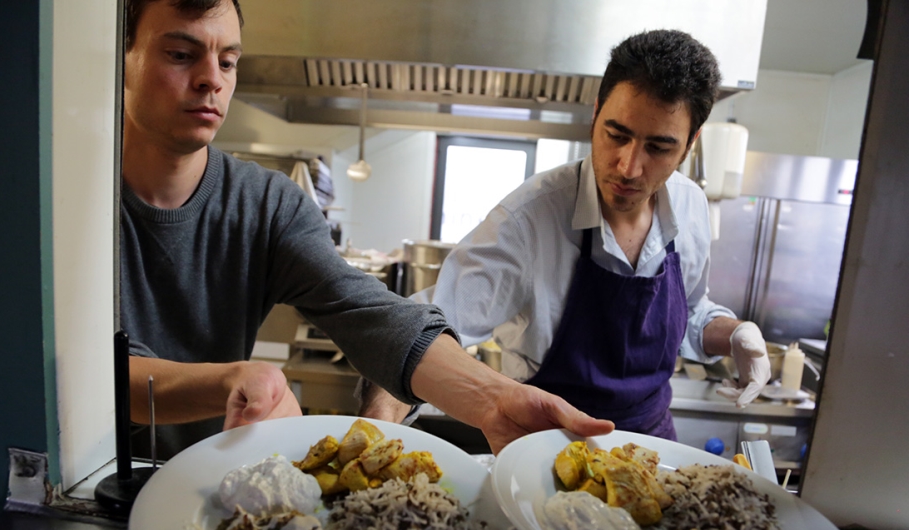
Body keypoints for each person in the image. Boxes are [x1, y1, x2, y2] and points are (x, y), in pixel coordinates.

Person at [118, 0, 614, 457]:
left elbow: (366, 310)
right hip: (85, 478)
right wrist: (230, 381)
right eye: (182, 54)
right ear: (122, 54)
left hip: (208, 481)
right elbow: (99, 368)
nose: (212, 79)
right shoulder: (68, 203)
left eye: (227, 61)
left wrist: (491, 398)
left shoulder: (267, 205)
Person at [379, 29, 772, 439]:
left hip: (651, 445)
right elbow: (423, 333)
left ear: (690, 144)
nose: (628, 167)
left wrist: (737, 334)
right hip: (545, 451)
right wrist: (382, 418)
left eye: (658, 148)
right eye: (617, 135)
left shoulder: (690, 207)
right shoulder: (528, 220)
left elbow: (690, 313)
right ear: (596, 112)